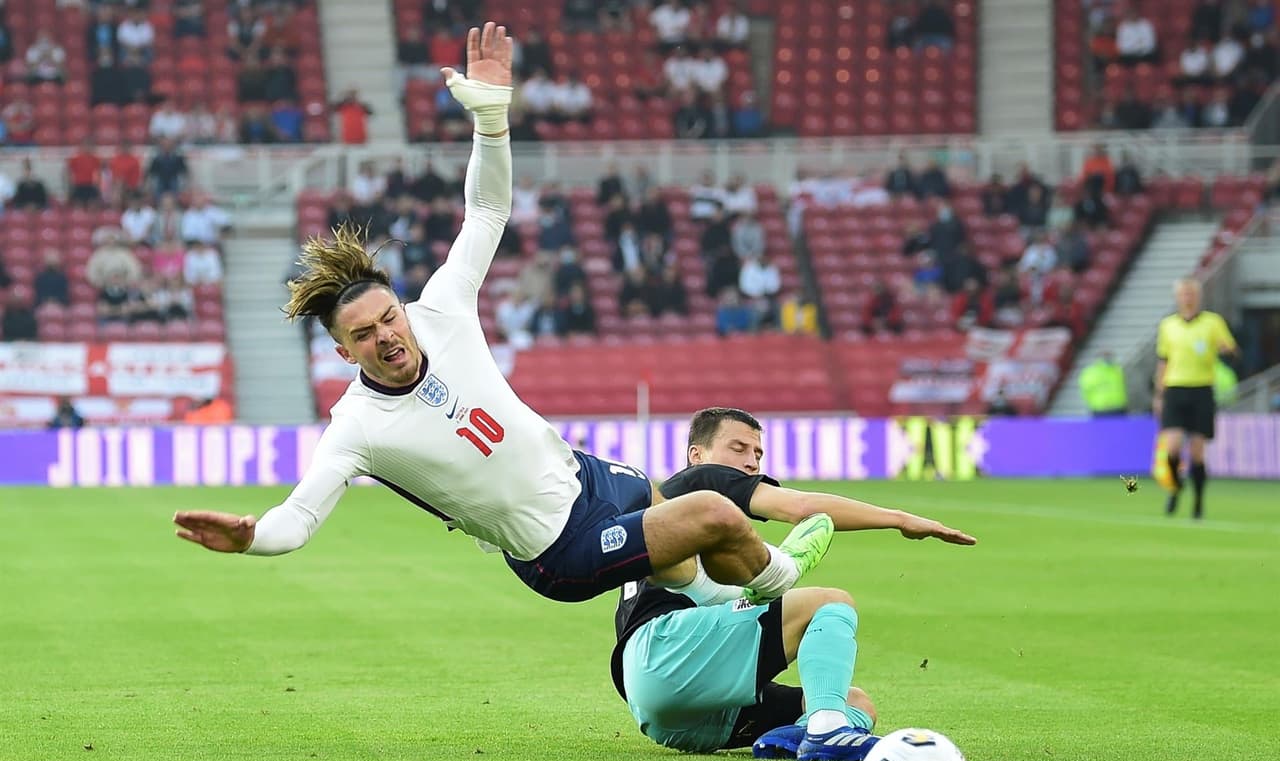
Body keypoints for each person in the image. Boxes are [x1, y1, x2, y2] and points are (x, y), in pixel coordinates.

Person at [172, 23, 831, 609]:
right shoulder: (357, 428)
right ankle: (776, 580)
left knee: (665, 517)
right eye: (363, 335)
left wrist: (492, 120)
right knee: (712, 512)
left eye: (388, 319)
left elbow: (486, 212)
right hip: (557, 551)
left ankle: (716, 604)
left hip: (583, 474)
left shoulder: (442, 308)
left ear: (402, 309)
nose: (385, 336)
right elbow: (298, 517)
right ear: (344, 353)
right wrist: (252, 537)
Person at [613, 408, 976, 761]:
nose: (751, 461)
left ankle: (802, 733)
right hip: (667, 652)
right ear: (697, 454)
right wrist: (899, 519)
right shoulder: (700, 482)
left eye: (757, 453)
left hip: (671, 711)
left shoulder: (683, 522)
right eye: (738, 448)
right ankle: (827, 733)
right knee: (829, 602)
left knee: (856, 704)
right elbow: (802, 506)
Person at [1154, 277, 1239, 519]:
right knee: (1172, 447)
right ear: (1178, 297)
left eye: (1191, 293)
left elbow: (1233, 352)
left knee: (1198, 451)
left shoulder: (1213, 323)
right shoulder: (1168, 326)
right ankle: (1176, 487)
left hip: (1202, 389)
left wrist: (1228, 352)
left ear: (1198, 296)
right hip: (1175, 389)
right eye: (1184, 293)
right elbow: (1163, 361)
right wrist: (1159, 395)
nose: (1188, 297)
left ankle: (1198, 503)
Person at [1078, 351, 1128, 416]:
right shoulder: (1090, 372)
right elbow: (1086, 391)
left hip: (1119, 407)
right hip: (1101, 409)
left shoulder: (1118, 370)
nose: (1107, 359)